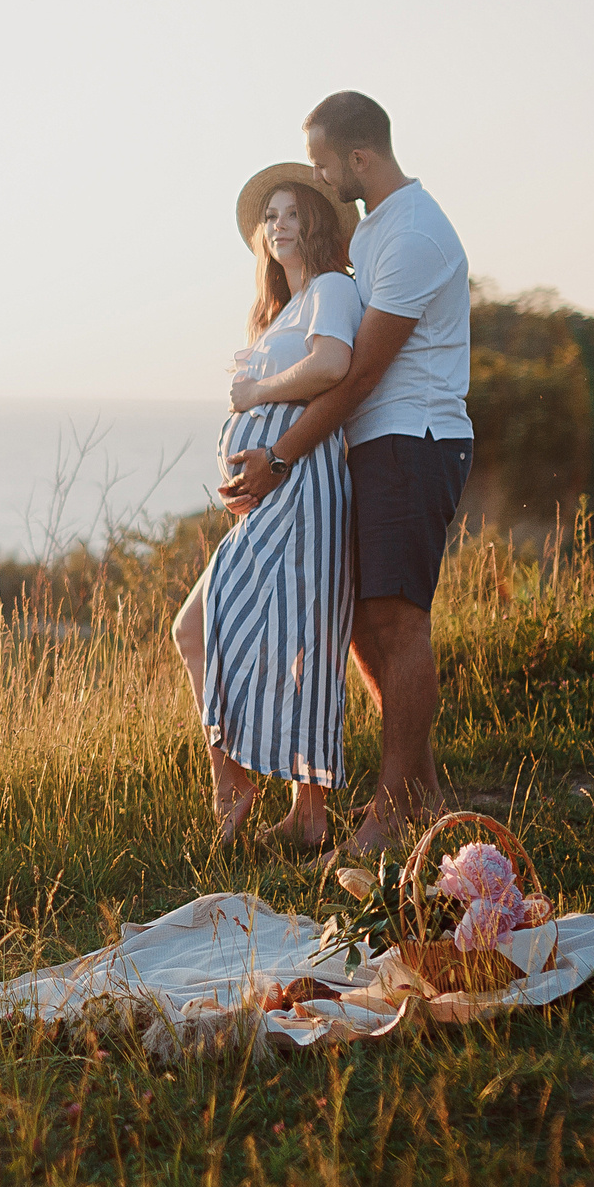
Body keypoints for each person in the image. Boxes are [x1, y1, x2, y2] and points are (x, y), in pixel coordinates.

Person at [219, 91, 473, 856]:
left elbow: (358, 375)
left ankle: (392, 809)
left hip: (412, 439)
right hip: (373, 445)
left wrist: (284, 453)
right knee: (363, 624)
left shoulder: (416, 236)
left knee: (399, 623)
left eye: (326, 162)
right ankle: (421, 788)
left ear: (359, 158)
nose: (321, 177)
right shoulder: (380, 234)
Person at [171, 164, 362, 850]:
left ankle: (239, 781)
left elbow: (334, 365)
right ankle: (304, 815)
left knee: (210, 627)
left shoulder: (333, 291)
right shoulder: (285, 308)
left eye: (290, 212)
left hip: (304, 484)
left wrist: (254, 401)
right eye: (269, 216)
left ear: (316, 222)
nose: (277, 225)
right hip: (275, 492)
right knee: (288, 638)